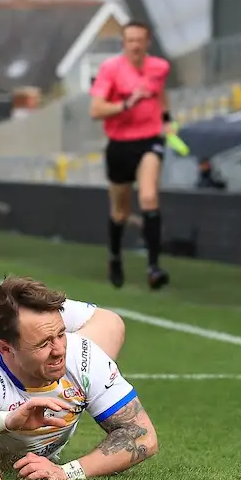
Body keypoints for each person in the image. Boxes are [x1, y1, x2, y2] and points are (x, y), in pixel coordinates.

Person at [0, 241, 157, 480]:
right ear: (6, 349)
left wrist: (67, 471)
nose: (59, 350)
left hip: (57, 407)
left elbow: (142, 436)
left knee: (110, 323)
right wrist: (8, 421)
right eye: (43, 343)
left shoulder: (80, 354)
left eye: (61, 334)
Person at [89, 21, 172, 290]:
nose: (135, 45)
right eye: (130, 40)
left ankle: (154, 267)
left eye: (140, 40)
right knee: (121, 211)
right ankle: (115, 257)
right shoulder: (110, 70)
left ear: (148, 42)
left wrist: (167, 119)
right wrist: (126, 104)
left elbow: (161, 94)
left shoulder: (159, 67)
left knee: (148, 196)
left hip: (150, 139)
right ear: (124, 44)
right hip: (120, 143)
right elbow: (96, 110)